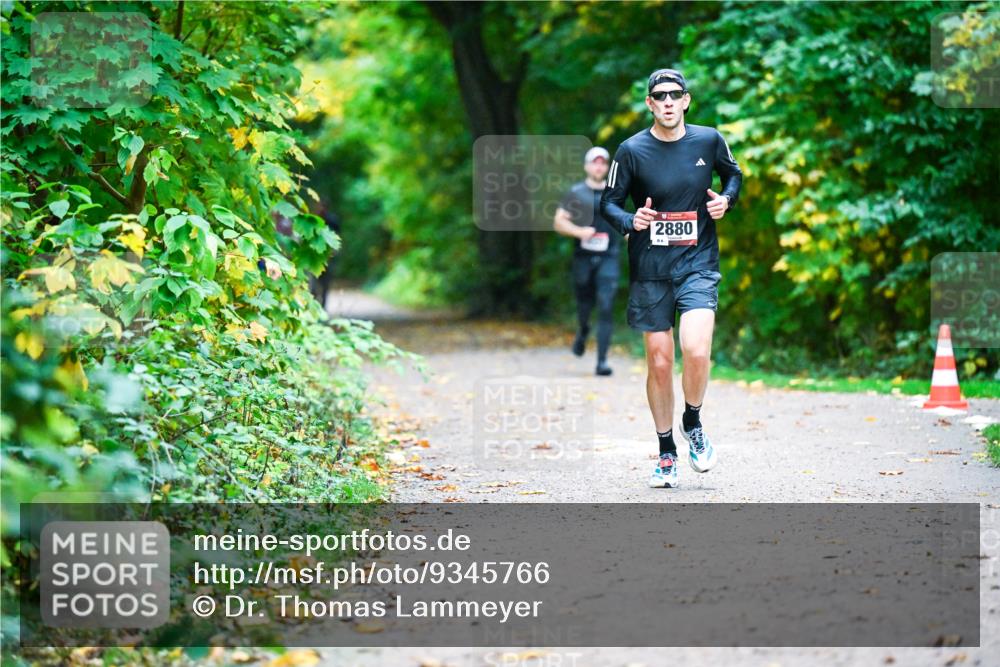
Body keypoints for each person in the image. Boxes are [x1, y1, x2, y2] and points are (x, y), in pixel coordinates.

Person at [600, 68, 742, 488]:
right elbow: (608, 203)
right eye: (658, 95)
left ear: (686, 100)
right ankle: (665, 452)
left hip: (698, 263)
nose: (666, 101)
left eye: (673, 94)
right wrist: (631, 219)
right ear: (649, 103)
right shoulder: (630, 150)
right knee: (660, 363)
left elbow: (733, 175)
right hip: (650, 272)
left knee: (696, 350)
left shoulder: (709, 140)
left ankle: (692, 421)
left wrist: (726, 202)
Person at [553, 146, 622, 376]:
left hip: (609, 257)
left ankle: (602, 362)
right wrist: (579, 232)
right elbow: (559, 222)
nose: (599, 166)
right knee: (585, 306)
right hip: (583, 258)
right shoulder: (576, 192)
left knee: (605, 305)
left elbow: (624, 223)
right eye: (595, 162)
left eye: (603, 163)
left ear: (607, 167)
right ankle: (583, 331)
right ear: (586, 166)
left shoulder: (615, 193)